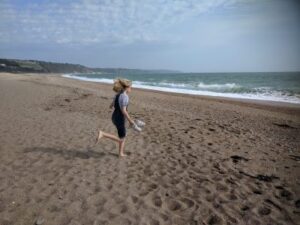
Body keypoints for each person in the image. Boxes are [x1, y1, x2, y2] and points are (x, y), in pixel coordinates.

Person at [95, 78, 136, 157]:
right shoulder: (125, 97)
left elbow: (111, 106)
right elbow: (124, 111)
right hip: (119, 119)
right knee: (122, 138)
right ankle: (103, 134)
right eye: (131, 87)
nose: (131, 89)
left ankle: (120, 153)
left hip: (114, 117)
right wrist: (130, 121)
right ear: (126, 87)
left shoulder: (117, 95)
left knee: (122, 136)